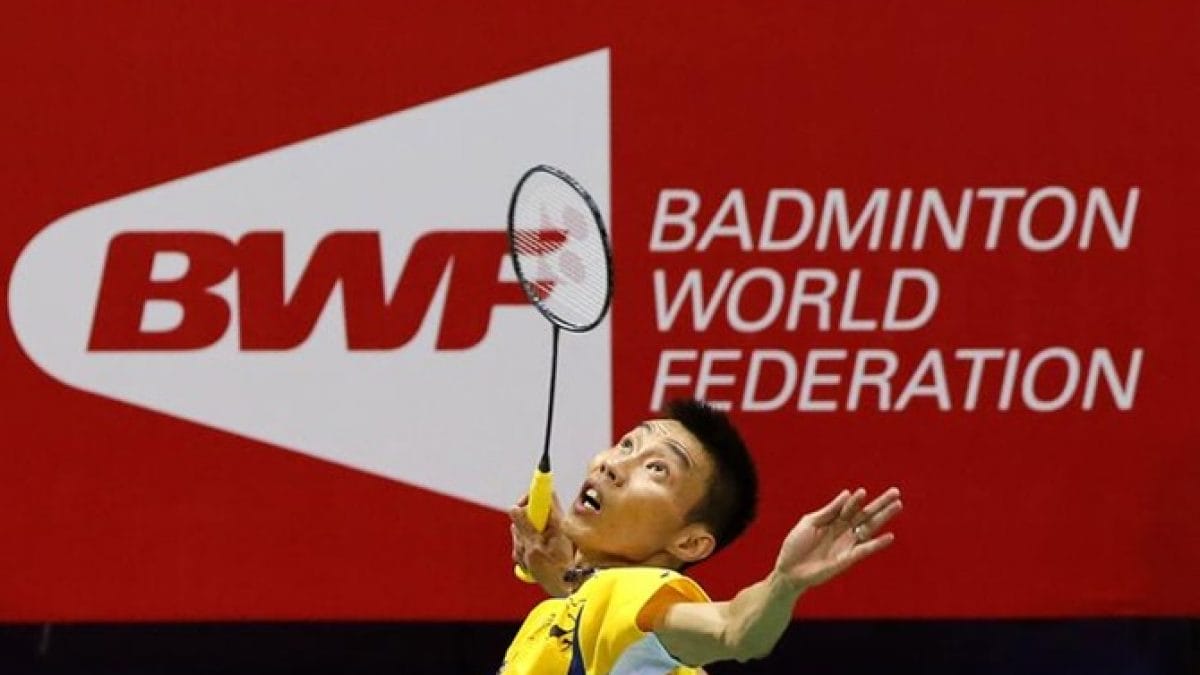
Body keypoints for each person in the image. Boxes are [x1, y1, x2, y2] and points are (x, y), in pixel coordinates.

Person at [501, 398, 903, 674]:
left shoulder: (639, 594)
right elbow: (601, 629)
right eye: (627, 444)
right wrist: (566, 577)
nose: (613, 465)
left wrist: (783, 584)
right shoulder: (587, 610)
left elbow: (733, 629)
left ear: (690, 543)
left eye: (657, 469)